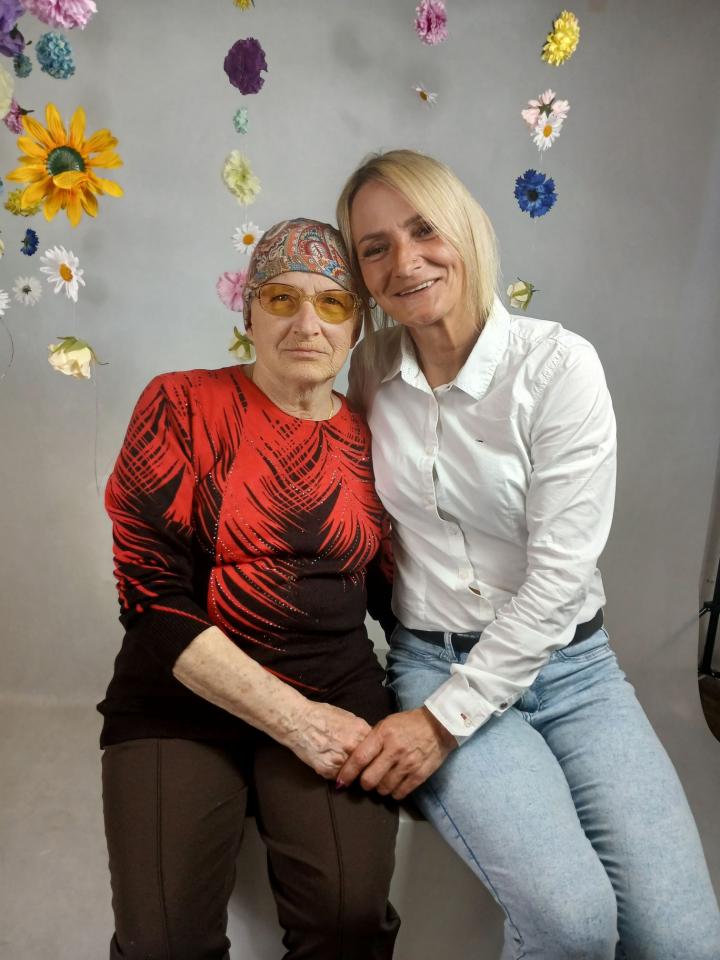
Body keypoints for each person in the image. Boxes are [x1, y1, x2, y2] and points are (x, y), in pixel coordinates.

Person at [334, 149, 720, 959]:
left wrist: (441, 727)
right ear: (362, 274)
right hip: (435, 661)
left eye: (424, 229)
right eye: (375, 248)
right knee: (573, 923)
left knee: (686, 944)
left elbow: (559, 579)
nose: (405, 261)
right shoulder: (370, 370)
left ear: (468, 229)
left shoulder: (558, 366)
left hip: (576, 674)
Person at [98, 219, 400, 960]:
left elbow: (400, 598)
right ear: (249, 311)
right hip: (179, 698)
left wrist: (460, 708)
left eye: (332, 303)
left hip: (337, 689)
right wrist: (295, 722)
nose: (307, 323)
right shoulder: (180, 403)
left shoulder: (378, 438)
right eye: (282, 298)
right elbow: (149, 597)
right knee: (161, 943)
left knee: (348, 921)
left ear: (357, 324)